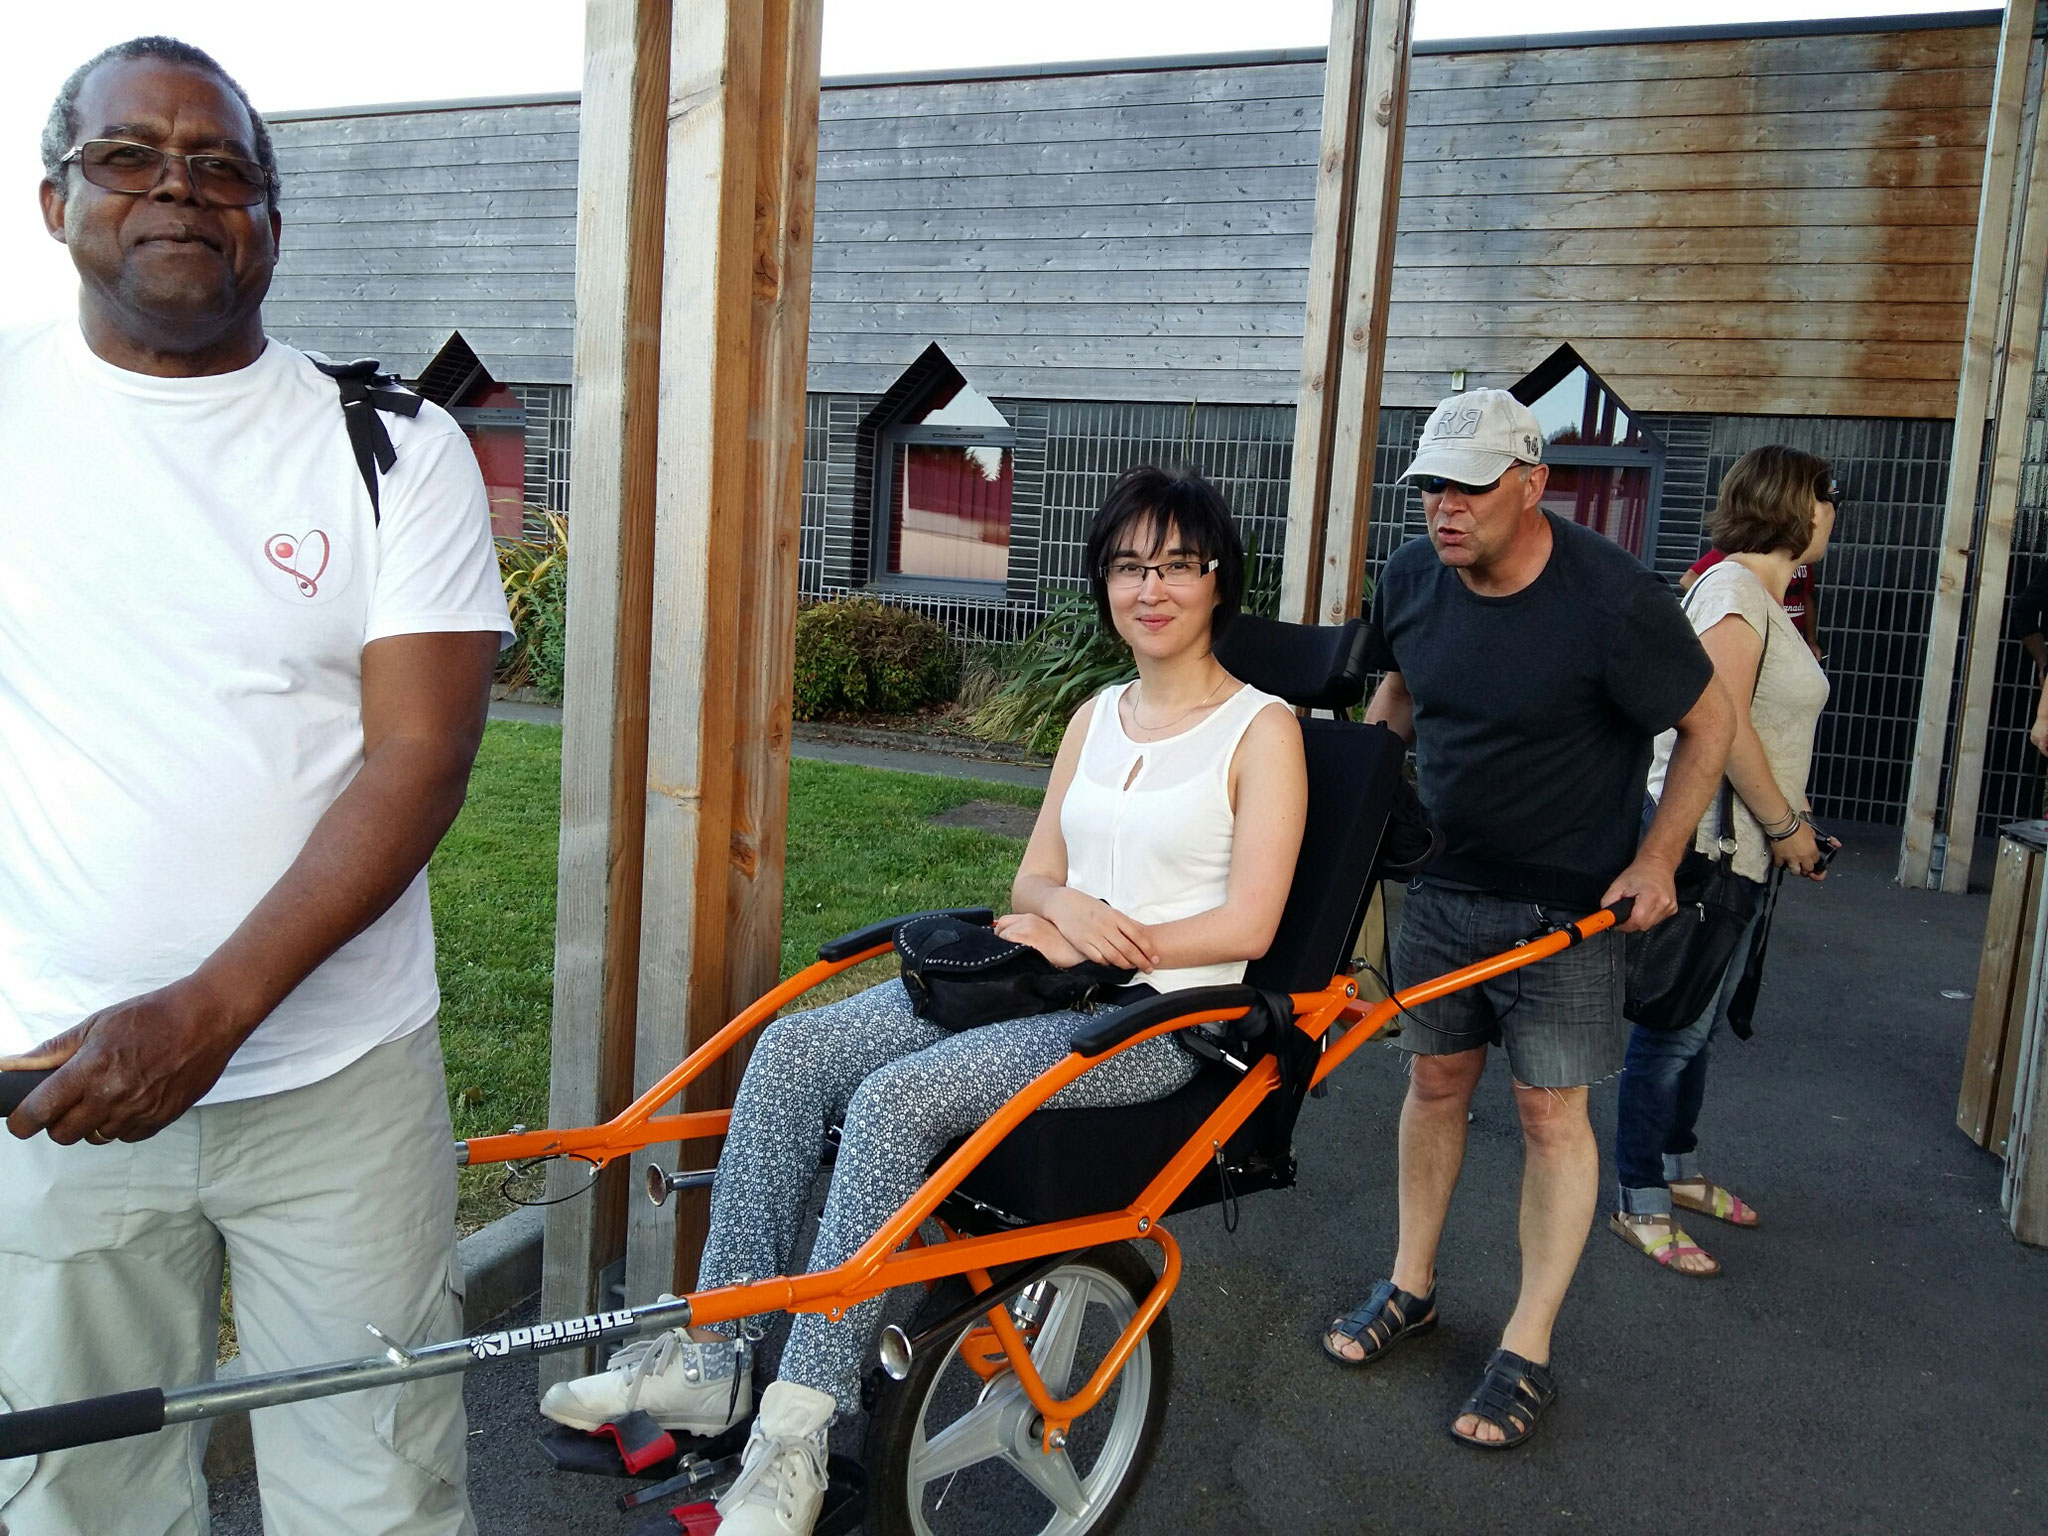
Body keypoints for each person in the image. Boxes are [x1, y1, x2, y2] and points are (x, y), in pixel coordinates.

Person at [539, 466, 1307, 1536]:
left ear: (1218, 582)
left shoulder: (1260, 730)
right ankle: (712, 1360)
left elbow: (1250, 928)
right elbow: (1032, 877)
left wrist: (1111, 938)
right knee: (794, 1048)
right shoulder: (1095, 715)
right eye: (1129, 566)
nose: (1151, 588)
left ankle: (796, 1431)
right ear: (1103, 583)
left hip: (1159, 1025)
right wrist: (1066, 909)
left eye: (1178, 565)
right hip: (1041, 980)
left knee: (897, 1100)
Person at [0, 38, 511, 1535]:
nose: (179, 188)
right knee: (73, 1486)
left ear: (272, 221)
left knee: (380, 1483)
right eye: (131, 157)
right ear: (56, 199)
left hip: (338, 1087)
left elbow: (422, 759)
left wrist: (204, 1019)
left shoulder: (393, 451)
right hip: (48, 1077)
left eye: (223, 166)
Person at [1320, 389, 1734, 1449]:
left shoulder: (1611, 600)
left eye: (1466, 487)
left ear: (1530, 484)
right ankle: (1409, 1284)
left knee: (1550, 1117)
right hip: (1447, 888)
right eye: (1428, 488)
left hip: (1568, 914)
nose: (1442, 508)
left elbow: (1708, 721)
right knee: (1431, 1081)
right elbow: (1401, 696)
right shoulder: (1413, 577)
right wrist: (1371, 803)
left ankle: (1526, 1344)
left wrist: (1654, 859)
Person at [1611, 447, 1837, 1277]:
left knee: (1696, 1022)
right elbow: (1725, 724)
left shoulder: (1764, 597)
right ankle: (1640, 1200)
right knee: (1670, 1029)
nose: (1833, 513)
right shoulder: (1737, 593)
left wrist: (1792, 827)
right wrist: (1784, 826)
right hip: (1711, 843)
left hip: (1746, 844)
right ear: (1796, 505)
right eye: (1826, 497)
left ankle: (1677, 1168)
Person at [1681, 474, 1835, 665]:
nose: (1832, 510)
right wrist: (1730, 607)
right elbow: (1688, 579)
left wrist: (1810, 640)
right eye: (1824, 498)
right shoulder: (1740, 556)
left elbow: (1807, 597)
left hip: (1789, 646)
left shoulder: (1800, 561)